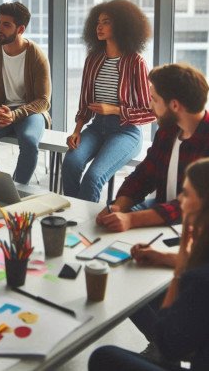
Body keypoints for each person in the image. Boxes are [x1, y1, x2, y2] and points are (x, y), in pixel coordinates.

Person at [89, 157, 209, 371]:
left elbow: (170, 346)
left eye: (187, 193)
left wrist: (179, 269)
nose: (179, 199)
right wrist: (164, 257)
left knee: (103, 356)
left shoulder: (199, 281)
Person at [96, 63, 209, 232]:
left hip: (196, 230)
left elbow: (190, 206)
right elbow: (144, 175)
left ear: (175, 105)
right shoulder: (167, 132)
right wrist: (118, 208)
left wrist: (130, 219)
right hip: (161, 211)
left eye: (154, 99)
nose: (150, 105)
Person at [62, 0, 155, 202]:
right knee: (70, 163)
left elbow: (150, 112)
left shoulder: (136, 62)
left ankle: (85, 226)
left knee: (93, 177)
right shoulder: (93, 59)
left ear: (122, 25)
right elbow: (85, 102)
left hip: (126, 132)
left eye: (106, 22)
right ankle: (74, 218)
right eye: (97, 22)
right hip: (96, 128)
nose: (99, 27)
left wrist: (114, 110)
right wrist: (76, 131)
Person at [0, 1, 51, 185]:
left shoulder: (37, 56)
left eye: (6, 25)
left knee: (30, 142)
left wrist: (15, 115)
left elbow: (44, 100)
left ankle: (17, 189)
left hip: (30, 112)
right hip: (1, 110)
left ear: (20, 29)